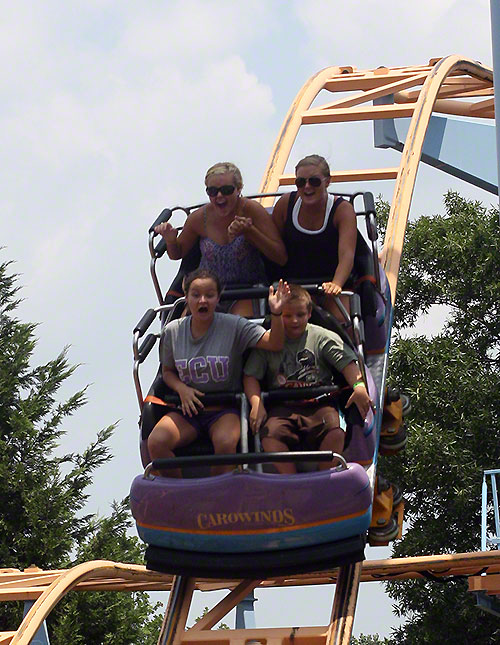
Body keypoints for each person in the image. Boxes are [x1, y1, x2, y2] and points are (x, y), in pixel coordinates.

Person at [147, 268, 290, 477]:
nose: (202, 301)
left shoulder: (233, 325)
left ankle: (216, 494)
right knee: (157, 441)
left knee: (225, 442)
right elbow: (167, 372)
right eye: (196, 295)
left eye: (209, 295)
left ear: (218, 297)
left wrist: (276, 313)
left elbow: (275, 343)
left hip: (224, 409)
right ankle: (181, 494)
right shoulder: (173, 331)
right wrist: (182, 389)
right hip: (189, 411)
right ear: (186, 297)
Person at [243, 284, 372, 474]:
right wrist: (256, 404)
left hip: (319, 404)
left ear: (309, 313)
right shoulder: (269, 341)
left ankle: (324, 476)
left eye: (300, 315)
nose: (294, 321)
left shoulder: (321, 336)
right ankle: (291, 479)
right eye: (287, 316)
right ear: (278, 315)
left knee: (336, 433)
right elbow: (250, 376)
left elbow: (347, 365)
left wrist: (359, 387)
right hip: (283, 407)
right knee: (269, 436)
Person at [154, 162, 287, 315]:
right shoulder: (198, 218)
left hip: (247, 289)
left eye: (226, 190)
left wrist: (250, 232)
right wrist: (171, 240)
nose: (219, 196)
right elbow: (177, 253)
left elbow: (280, 257)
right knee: (187, 325)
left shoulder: (252, 211)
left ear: (238, 189)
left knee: (239, 326)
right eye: (213, 191)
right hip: (207, 291)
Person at [269, 154, 358, 321]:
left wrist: (336, 283)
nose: (307, 187)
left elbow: (347, 255)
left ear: (327, 181)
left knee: (341, 318)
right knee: (289, 316)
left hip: (330, 282)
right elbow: (274, 245)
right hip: (294, 284)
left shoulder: (342, 210)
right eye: (300, 182)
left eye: (314, 181)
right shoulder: (285, 204)